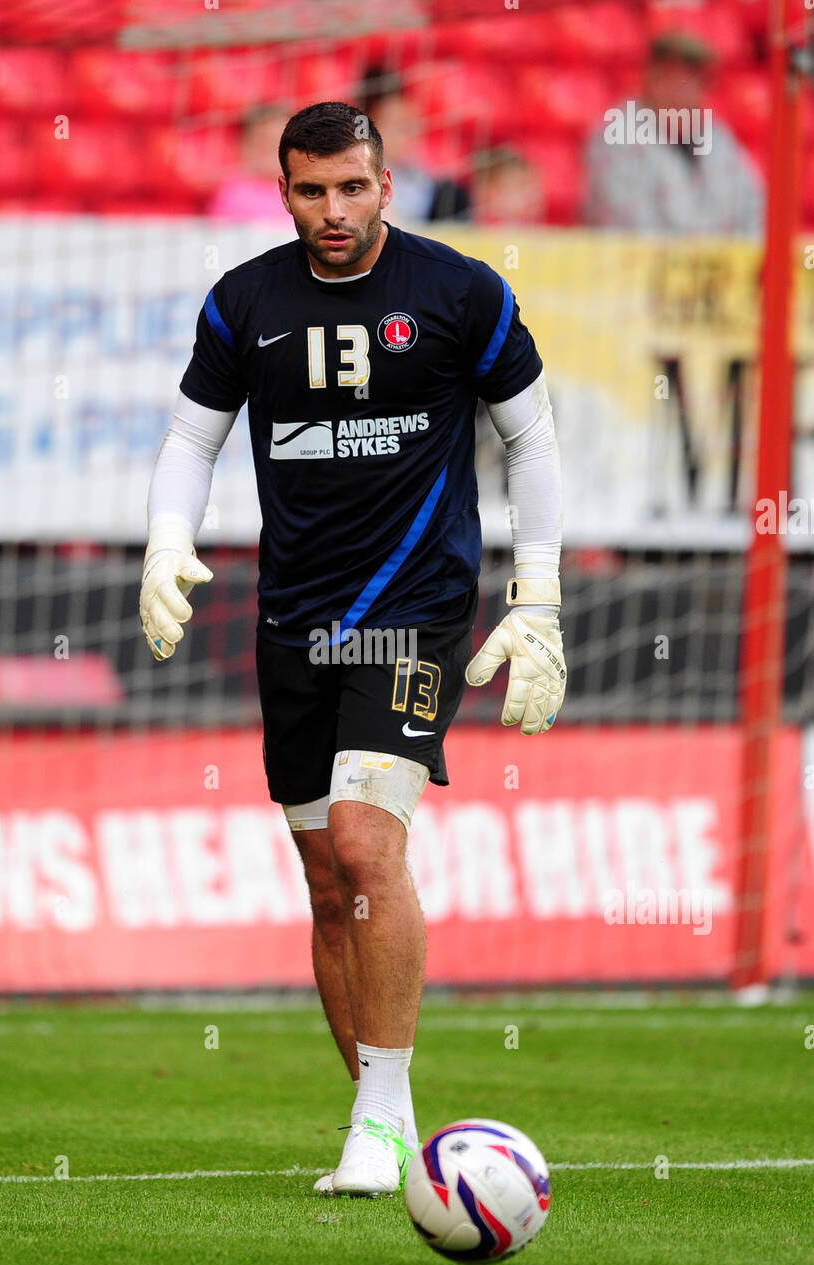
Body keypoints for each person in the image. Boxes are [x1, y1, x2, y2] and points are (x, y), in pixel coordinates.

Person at [140, 102, 565, 1197]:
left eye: (354, 188)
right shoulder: (246, 301)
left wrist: (541, 591)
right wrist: (165, 539)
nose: (335, 211)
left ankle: (376, 1122)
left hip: (414, 612)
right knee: (330, 880)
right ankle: (390, 1119)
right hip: (296, 623)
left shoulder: (461, 291)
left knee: (372, 849)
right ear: (285, 192)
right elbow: (194, 436)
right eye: (312, 191)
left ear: (388, 182)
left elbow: (530, 433)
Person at [583, 31, 763, 235]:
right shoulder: (616, 135)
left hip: (722, 265)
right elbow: (631, 229)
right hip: (630, 264)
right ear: (650, 81)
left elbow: (754, 214)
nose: (682, 93)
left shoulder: (719, 139)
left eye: (692, 81)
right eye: (672, 80)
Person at [358, 67, 470, 224]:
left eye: (412, 124)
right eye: (399, 125)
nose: (410, 133)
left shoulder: (429, 181)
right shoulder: (358, 181)